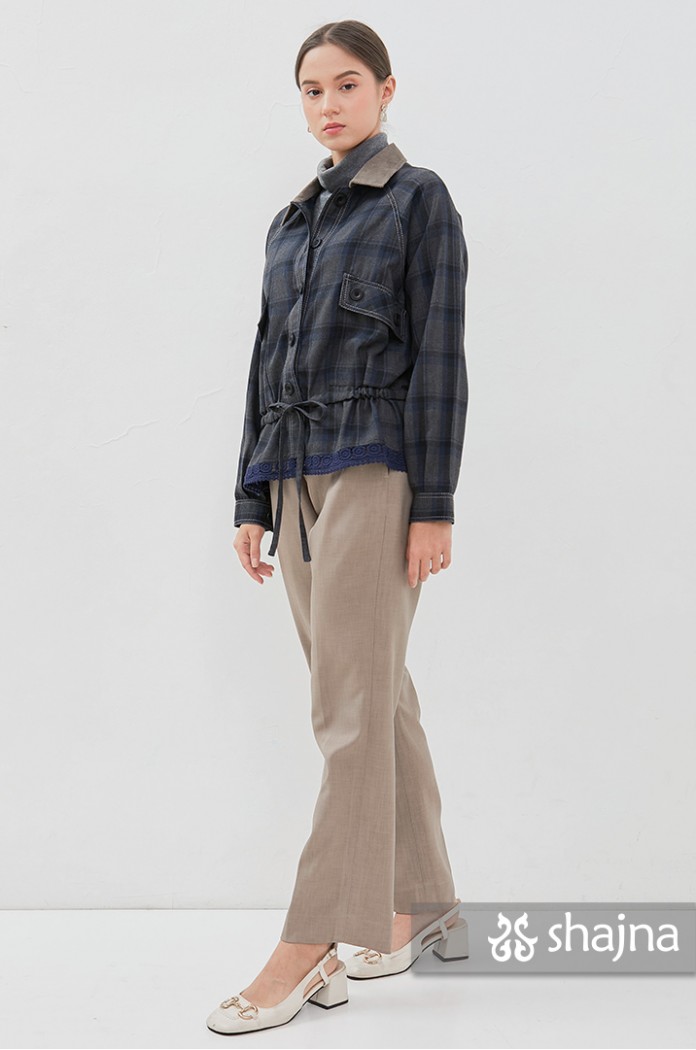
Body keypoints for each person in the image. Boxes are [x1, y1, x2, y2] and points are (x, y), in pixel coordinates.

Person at [206, 18, 470, 1037]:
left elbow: (440, 358)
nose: (328, 104)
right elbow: (265, 362)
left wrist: (433, 504)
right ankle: (422, 904)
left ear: (386, 90)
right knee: (376, 694)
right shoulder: (291, 223)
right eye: (312, 89)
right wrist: (250, 497)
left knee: (348, 709)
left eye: (348, 84)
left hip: (374, 472)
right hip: (293, 477)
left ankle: (313, 936)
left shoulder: (418, 200)